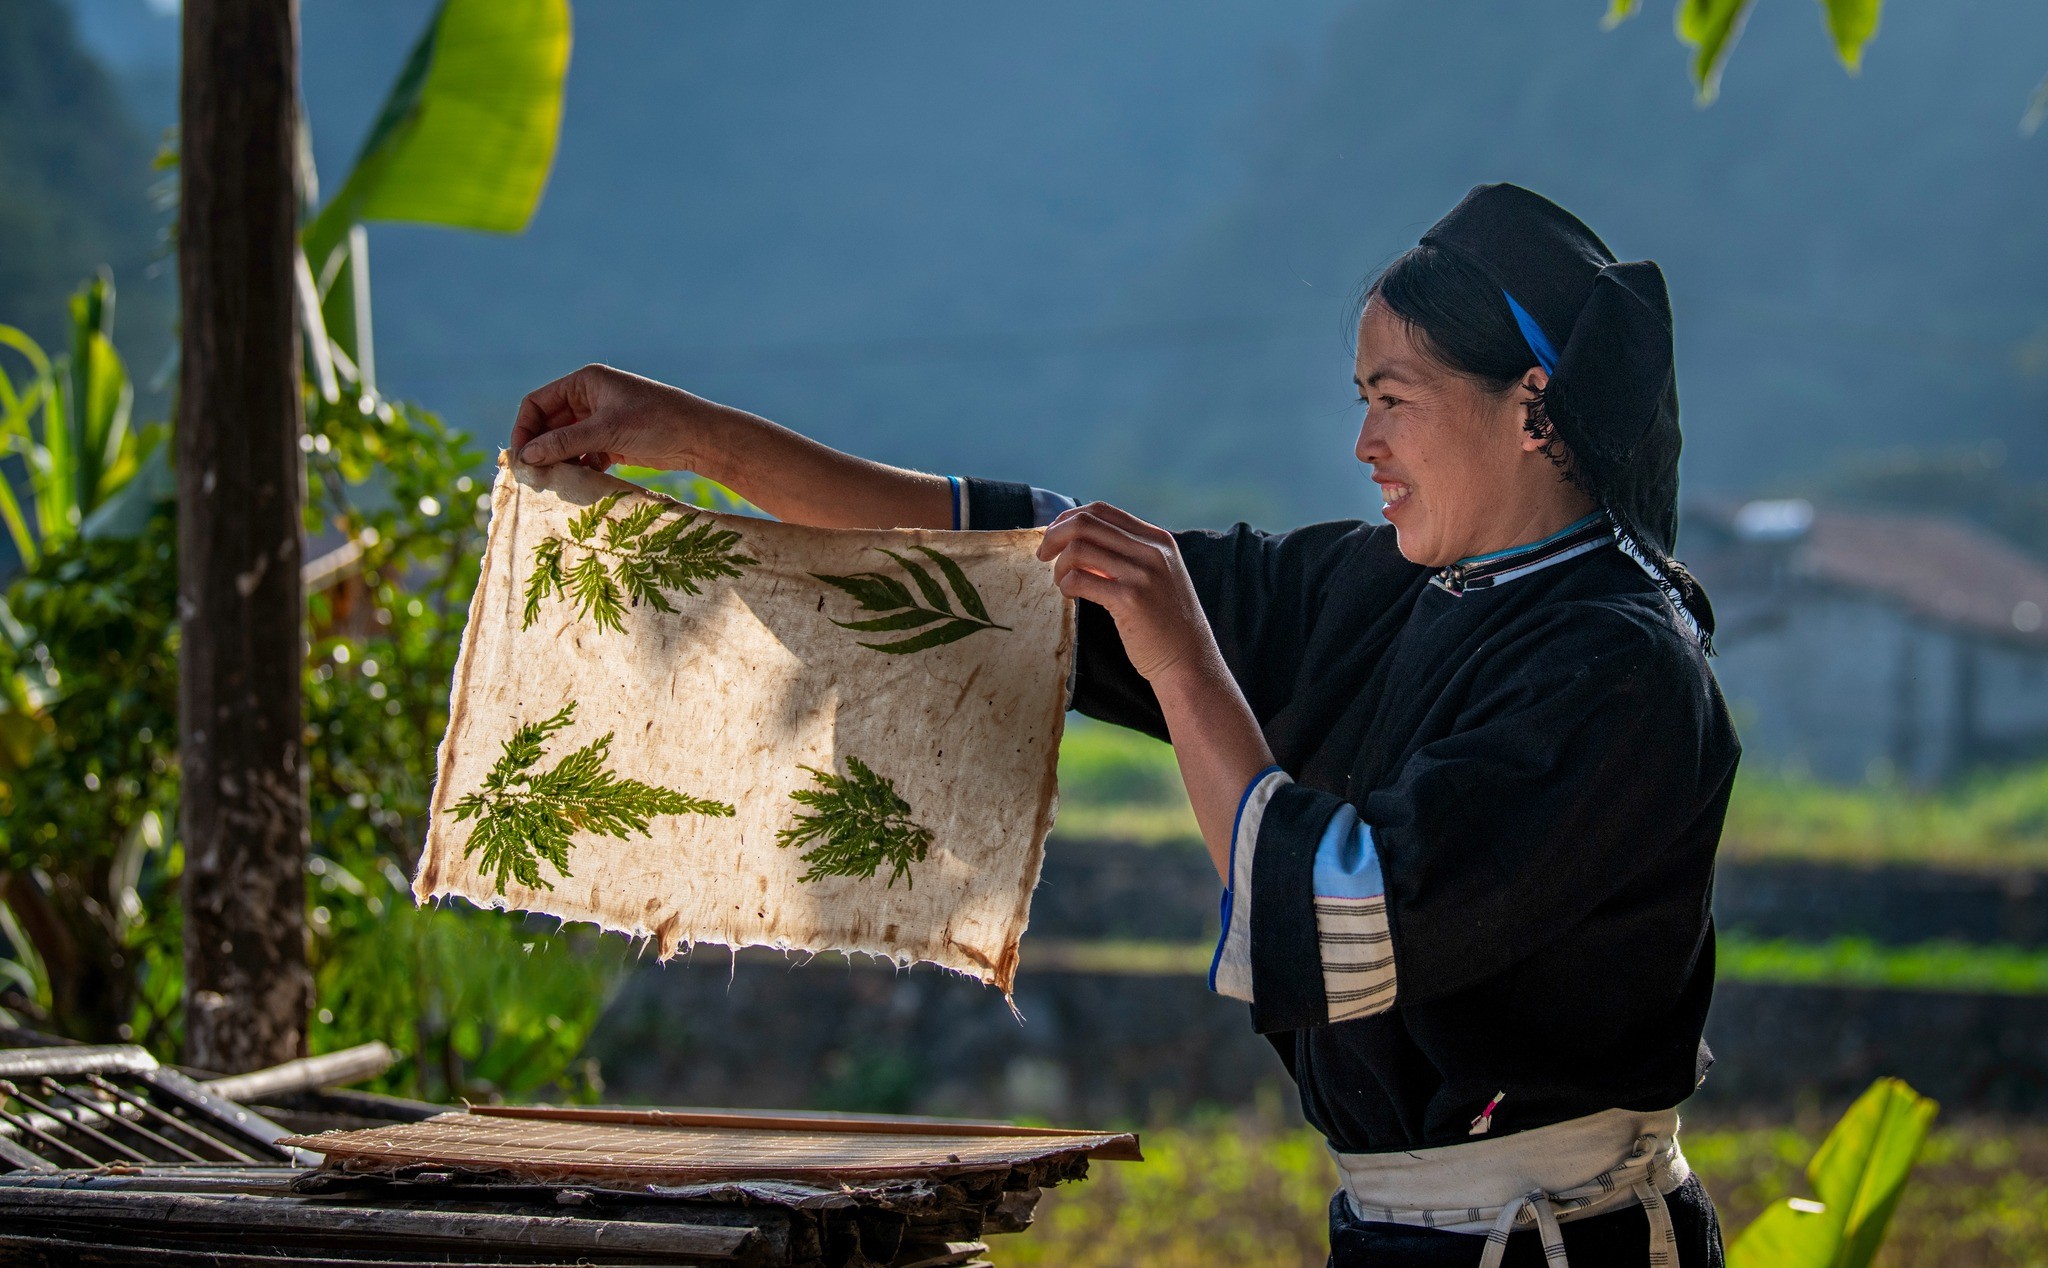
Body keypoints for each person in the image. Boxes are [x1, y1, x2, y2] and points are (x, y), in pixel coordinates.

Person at [512, 183, 1739, 1268]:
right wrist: (692, 441)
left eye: (1393, 399)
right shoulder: (1380, 589)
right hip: (1401, 1233)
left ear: (1531, 409)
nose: (1362, 442)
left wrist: (1183, 660)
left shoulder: (1616, 667)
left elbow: (1344, 919)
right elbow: (1009, 557)